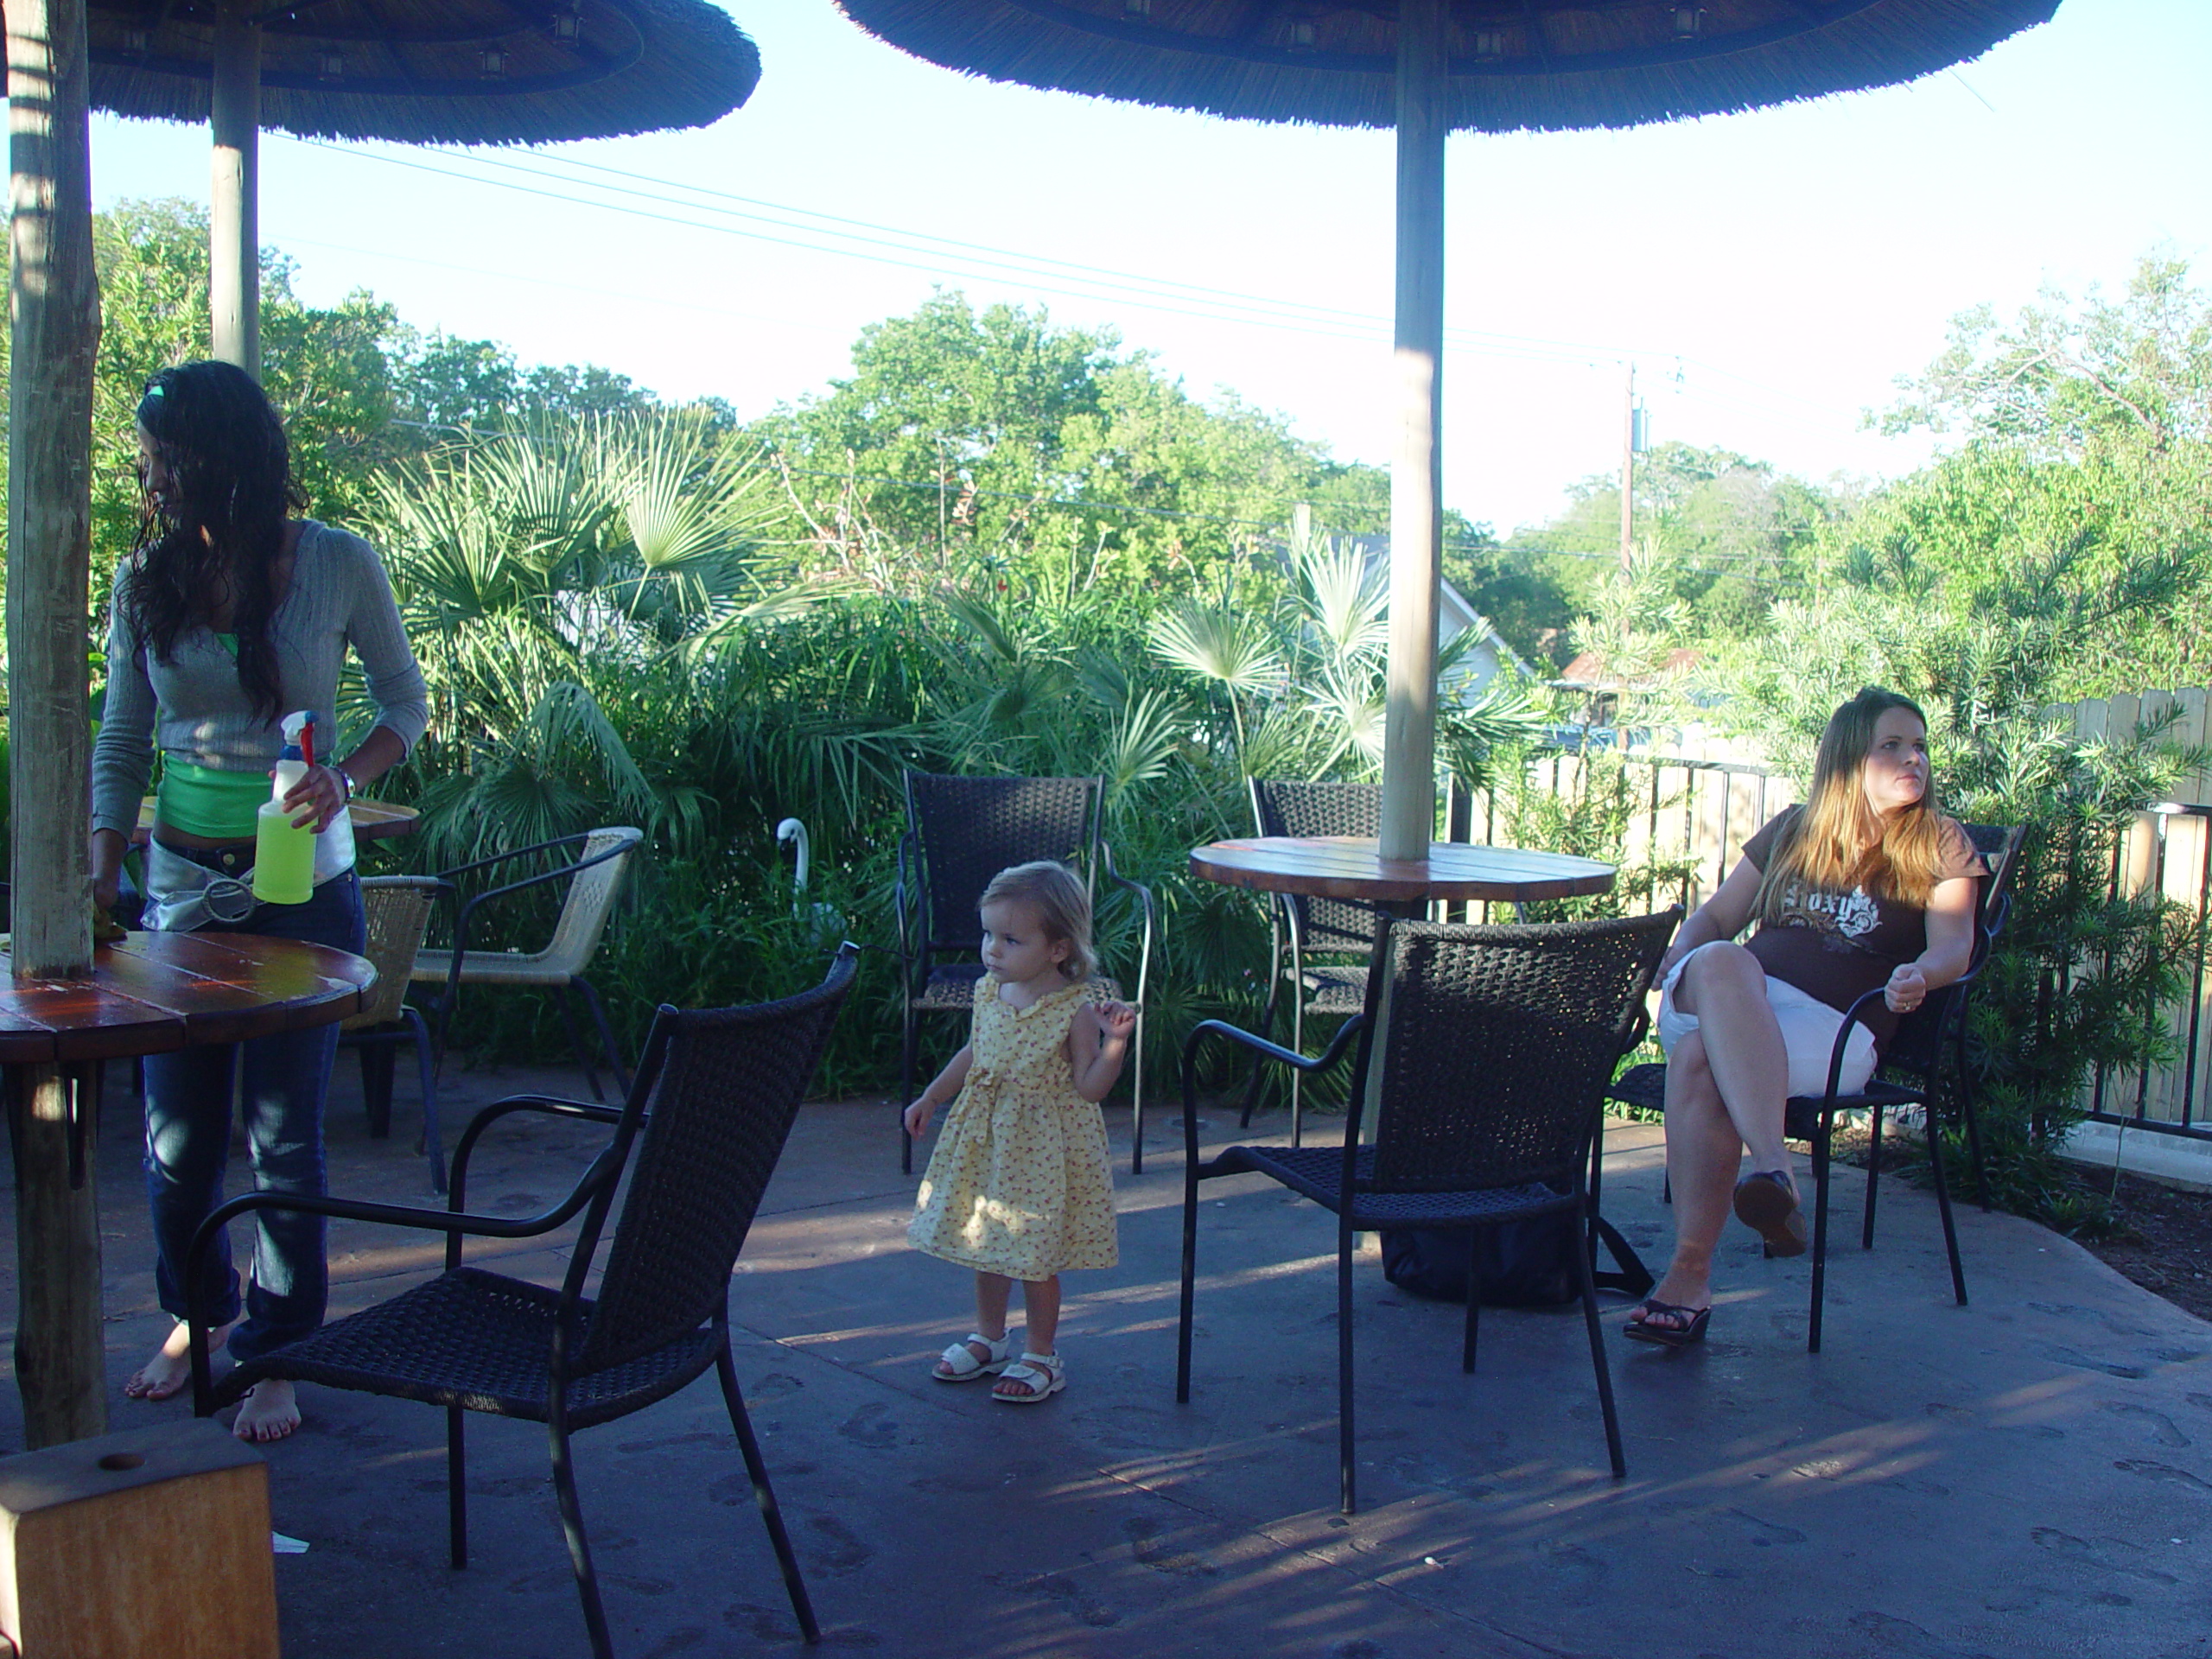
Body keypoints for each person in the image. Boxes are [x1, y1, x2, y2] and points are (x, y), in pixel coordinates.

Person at [92, 360, 430, 1440]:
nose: (146, 470)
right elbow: (121, 738)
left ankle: (278, 1352)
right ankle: (200, 1315)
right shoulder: (144, 575)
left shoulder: (334, 561)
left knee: (284, 1140)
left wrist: (349, 775)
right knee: (178, 1141)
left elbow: (404, 703)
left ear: (214, 458)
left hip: (303, 887)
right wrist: (107, 868)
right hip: (181, 895)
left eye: (160, 453)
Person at [1624, 688, 1983, 1347]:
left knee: (1703, 1058)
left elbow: (1954, 947)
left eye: (1921, 746)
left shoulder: (1939, 842)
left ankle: (1688, 1277)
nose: (1915, 760)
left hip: (1833, 1029)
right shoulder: (1793, 829)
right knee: (1720, 962)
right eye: (1893, 746)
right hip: (1732, 1000)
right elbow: (1716, 920)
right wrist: (1679, 950)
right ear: (1848, 760)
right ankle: (1774, 1167)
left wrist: (1918, 976)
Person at [903, 861, 1136, 1403]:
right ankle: (989, 1336)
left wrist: (1115, 1046)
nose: (992, 950)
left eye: (1010, 939)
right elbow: (974, 1053)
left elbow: (1088, 1088)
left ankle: (1041, 1354)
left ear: (1058, 949)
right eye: (989, 934)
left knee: (1035, 1254)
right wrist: (932, 1096)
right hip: (987, 1142)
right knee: (987, 1242)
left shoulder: (1073, 1010)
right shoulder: (990, 991)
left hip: (1041, 1155)